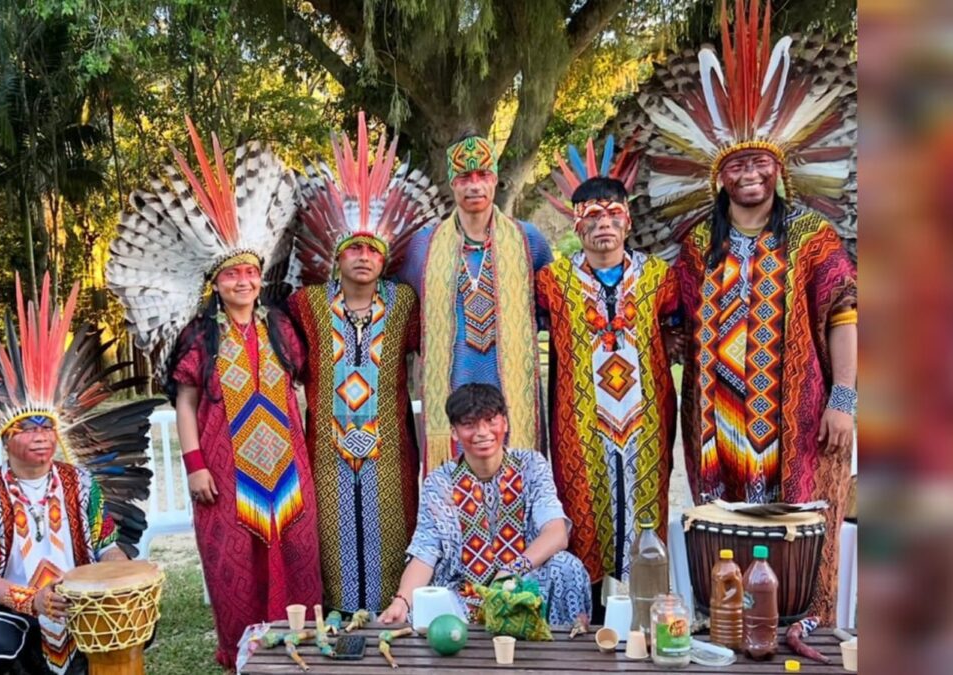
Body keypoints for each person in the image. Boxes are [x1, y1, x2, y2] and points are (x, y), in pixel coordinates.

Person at [633, 0, 857, 619]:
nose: (750, 172)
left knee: (796, 521)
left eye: (760, 162)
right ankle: (730, 619)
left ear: (778, 169)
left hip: (796, 409)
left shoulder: (812, 235)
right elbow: (667, 316)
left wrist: (845, 398)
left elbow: (843, 312)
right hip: (715, 417)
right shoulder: (697, 245)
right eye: (737, 164)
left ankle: (796, 622)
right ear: (719, 178)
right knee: (723, 526)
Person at [107, 122, 322, 668]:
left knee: (297, 555)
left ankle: (299, 648)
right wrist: (195, 465)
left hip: (288, 469)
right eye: (232, 275)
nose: (244, 281)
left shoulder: (280, 326)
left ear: (258, 276)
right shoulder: (200, 335)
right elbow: (183, 402)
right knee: (235, 563)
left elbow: (299, 387)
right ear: (217, 282)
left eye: (251, 272)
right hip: (224, 470)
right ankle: (246, 657)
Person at [0, 273, 160, 675]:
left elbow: (107, 546)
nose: (41, 437)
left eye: (47, 427)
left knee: (140, 625)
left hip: (79, 603)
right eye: (29, 429)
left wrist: (119, 578)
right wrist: (30, 600)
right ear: (5, 437)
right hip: (16, 606)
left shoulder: (80, 484)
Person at [287, 113, 447, 614]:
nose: (362, 256)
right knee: (332, 537)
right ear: (337, 257)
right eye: (352, 248)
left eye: (371, 249)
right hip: (327, 450)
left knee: (391, 529)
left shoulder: (403, 302)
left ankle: (390, 614)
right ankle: (337, 619)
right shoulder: (307, 305)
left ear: (384, 259)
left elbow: (437, 347)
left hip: (390, 451)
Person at [535, 147, 679, 607]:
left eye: (613, 213)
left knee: (646, 513)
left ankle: (648, 612)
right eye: (591, 216)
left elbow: (679, 332)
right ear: (577, 225)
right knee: (583, 508)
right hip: (580, 422)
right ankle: (590, 616)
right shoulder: (552, 282)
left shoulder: (659, 277)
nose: (603, 224)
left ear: (628, 221)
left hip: (648, 418)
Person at [397, 131, 552, 474]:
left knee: (517, 482)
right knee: (456, 489)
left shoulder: (528, 241)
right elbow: (400, 313)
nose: (474, 185)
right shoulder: (423, 246)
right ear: (452, 183)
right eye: (465, 177)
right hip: (451, 388)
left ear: (495, 179)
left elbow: (552, 310)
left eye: (483, 175)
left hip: (512, 392)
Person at [377, 384, 591, 626]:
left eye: (490, 420)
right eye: (469, 424)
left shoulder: (532, 466)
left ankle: (563, 652)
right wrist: (402, 601)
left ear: (505, 423)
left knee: (566, 566)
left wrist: (512, 570)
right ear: (455, 432)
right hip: (463, 592)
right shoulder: (440, 482)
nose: (482, 432)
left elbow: (556, 533)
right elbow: (425, 552)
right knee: (420, 616)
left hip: (525, 583)